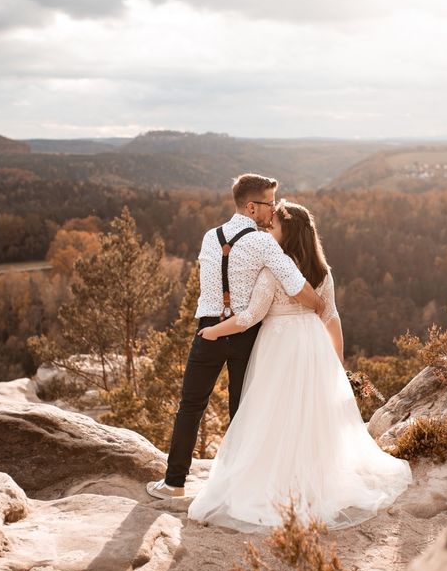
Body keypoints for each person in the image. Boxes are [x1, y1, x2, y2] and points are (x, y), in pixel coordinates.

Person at [186, 200, 412, 531]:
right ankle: (314, 478)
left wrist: (214, 330)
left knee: (273, 413)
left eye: (273, 227)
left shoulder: (273, 270)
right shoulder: (322, 273)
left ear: (287, 233)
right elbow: (331, 317)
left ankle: (278, 480)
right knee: (310, 415)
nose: (267, 231)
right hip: (313, 347)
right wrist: (337, 362)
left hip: (279, 347)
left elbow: (249, 317)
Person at [146, 174, 325, 500]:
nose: (273, 211)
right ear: (251, 206)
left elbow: (209, 283)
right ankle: (239, 488)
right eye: (270, 204)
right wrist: (320, 306)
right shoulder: (264, 242)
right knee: (243, 411)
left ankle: (174, 483)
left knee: (190, 407)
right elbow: (295, 284)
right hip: (246, 334)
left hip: (209, 330)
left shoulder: (209, 237)